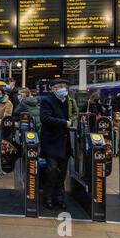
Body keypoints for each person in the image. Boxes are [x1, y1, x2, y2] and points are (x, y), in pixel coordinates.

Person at [40, 79, 73, 210]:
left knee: (62, 173)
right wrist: (64, 122)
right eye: (60, 87)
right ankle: (47, 198)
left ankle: (59, 198)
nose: (63, 89)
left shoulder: (67, 101)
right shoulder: (47, 101)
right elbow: (45, 118)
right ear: (53, 88)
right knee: (52, 171)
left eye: (65, 86)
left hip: (64, 142)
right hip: (51, 142)